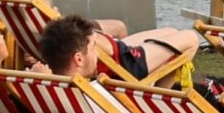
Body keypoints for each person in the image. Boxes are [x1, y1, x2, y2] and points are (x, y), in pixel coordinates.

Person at [40, 13, 200, 86]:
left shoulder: (50, 85)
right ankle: (158, 101)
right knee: (191, 39)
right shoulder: (94, 89)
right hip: (127, 65)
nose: (97, 54)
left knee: (171, 31)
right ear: (79, 59)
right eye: (93, 48)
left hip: (119, 52)